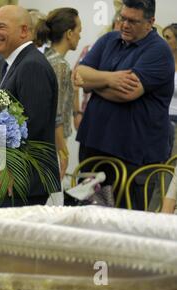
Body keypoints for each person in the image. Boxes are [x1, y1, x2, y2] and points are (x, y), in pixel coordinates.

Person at [75, 0, 175, 210]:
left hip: (133, 154)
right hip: (94, 145)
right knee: (88, 215)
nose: (124, 25)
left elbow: (127, 93)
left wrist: (94, 83)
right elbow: (80, 74)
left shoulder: (159, 51)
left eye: (133, 21)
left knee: (123, 222)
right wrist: (111, 79)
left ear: (150, 22)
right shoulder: (109, 39)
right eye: (122, 18)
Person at [0, 5, 60, 206]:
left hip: (23, 181)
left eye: (1, 27)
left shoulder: (32, 65)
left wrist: (11, 168)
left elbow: (32, 126)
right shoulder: (11, 63)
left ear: (24, 31)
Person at [36, 8, 82, 180]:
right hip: (52, 145)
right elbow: (57, 115)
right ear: (69, 33)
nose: (80, 36)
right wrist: (63, 152)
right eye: (79, 31)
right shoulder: (60, 65)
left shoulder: (46, 58)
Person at [162, 24, 177, 156]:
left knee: (172, 168)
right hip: (159, 119)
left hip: (175, 121)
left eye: (168, 37)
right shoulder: (160, 62)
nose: (164, 41)